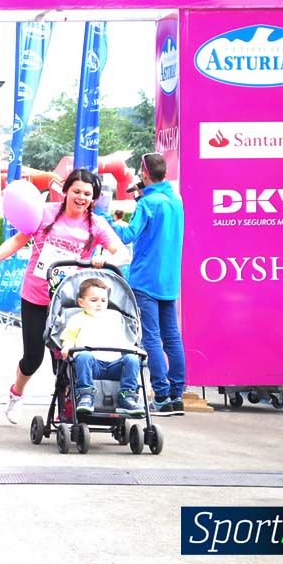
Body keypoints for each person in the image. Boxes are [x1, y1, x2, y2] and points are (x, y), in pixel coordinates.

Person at [0, 169, 130, 424]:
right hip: (36, 296)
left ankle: (67, 406)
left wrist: (105, 259)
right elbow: (18, 240)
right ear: (65, 191)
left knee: (65, 357)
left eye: (87, 194)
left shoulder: (96, 224)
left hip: (70, 302)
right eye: (76, 191)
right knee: (33, 357)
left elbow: (122, 253)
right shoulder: (45, 213)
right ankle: (16, 393)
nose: (81, 198)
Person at [112, 153, 186, 415]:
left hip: (145, 279)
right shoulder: (176, 201)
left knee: (151, 337)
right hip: (169, 281)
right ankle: (176, 395)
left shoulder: (147, 203)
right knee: (172, 337)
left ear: (144, 174)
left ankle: (161, 395)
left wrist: (109, 222)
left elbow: (128, 235)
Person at [58, 278, 145, 417]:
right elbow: (69, 338)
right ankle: (85, 395)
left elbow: (123, 340)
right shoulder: (76, 319)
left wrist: (135, 349)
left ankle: (127, 396)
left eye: (103, 300)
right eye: (94, 300)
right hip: (92, 366)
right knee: (84, 355)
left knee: (132, 359)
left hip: (114, 365)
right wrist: (67, 347)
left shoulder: (115, 317)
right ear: (81, 302)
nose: (99, 304)